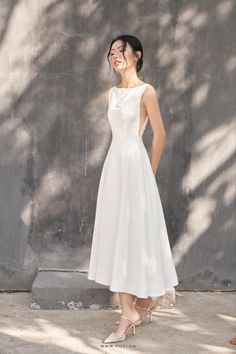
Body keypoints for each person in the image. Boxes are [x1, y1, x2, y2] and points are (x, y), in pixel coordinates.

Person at [87, 34, 179, 343]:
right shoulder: (110, 94)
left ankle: (140, 305)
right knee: (117, 233)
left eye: (120, 50)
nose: (114, 55)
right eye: (111, 51)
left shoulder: (146, 91)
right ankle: (130, 309)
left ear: (136, 54)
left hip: (137, 167)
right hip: (115, 167)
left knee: (136, 234)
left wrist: (149, 174)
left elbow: (160, 134)